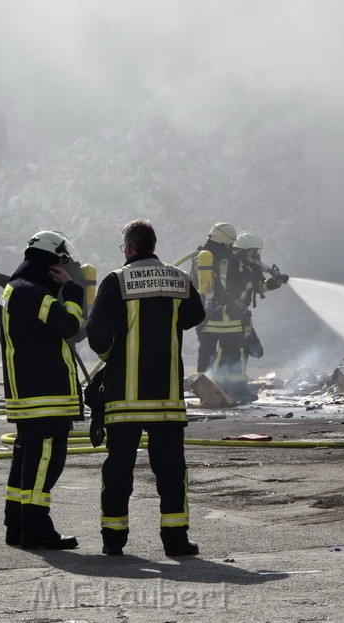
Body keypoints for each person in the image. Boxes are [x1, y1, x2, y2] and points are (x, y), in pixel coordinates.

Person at [87, 219, 206, 557]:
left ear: (129, 248)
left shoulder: (116, 280)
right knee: (170, 469)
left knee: (119, 469)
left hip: (124, 399)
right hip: (167, 398)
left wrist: (113, 357)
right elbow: (196, 315)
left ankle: (114, 539)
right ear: (152, 245)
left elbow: (96, 334)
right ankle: (176, 540)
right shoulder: (178, 279)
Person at [0, 230, 85, 550]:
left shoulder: (16, 288)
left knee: (26, 456)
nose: (66, 267)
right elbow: (70, 326)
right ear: (51, 261)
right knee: (48, 457)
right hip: (45, 393)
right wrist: (73, 291)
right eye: (62, 262)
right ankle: (36, 526)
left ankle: (17, 524)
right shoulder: (34, 293)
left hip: (29, 392)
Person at [220, 231, 289, 402]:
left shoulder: (251, 268)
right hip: (228, 315)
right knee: (232, 351)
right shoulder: (233, 265)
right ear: (246, 250)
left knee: (247, 350)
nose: (258, 255)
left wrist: (276, 282)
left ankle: (233, 387)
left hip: (242, 315)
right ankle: (225, 386)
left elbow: (259, 287)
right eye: (255, 251)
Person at [192, 222, 239, 380]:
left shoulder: (198, 257)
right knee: (228, 354)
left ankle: (204, 389)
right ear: (225, 242)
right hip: (223, 319)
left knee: (206, 352)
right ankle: (228, 389)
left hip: (205, 317)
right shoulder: (224, 259)